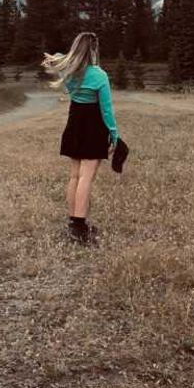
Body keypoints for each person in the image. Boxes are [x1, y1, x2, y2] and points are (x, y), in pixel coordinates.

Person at [41, 32, 119, 245]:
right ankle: (80, 226)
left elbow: (68, 63)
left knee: (75, 176)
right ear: (94, 49)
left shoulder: (70, 73)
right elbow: (106, 109)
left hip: (75, 123)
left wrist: (63, 57)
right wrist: (114, 134)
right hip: (94, 127)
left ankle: (73, 223)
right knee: (86, 177)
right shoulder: (100, 75)